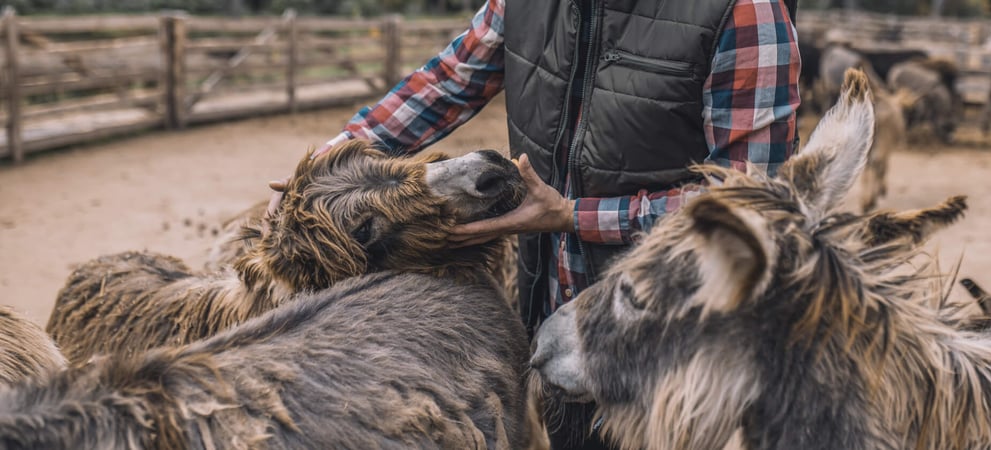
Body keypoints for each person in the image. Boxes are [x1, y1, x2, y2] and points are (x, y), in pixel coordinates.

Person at [272, 0, 800, 448]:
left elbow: (751, 205)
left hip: (661, 335)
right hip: (548, 299)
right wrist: (334, 158)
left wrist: (572, 216)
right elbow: (448, 81)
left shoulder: (744, 10)